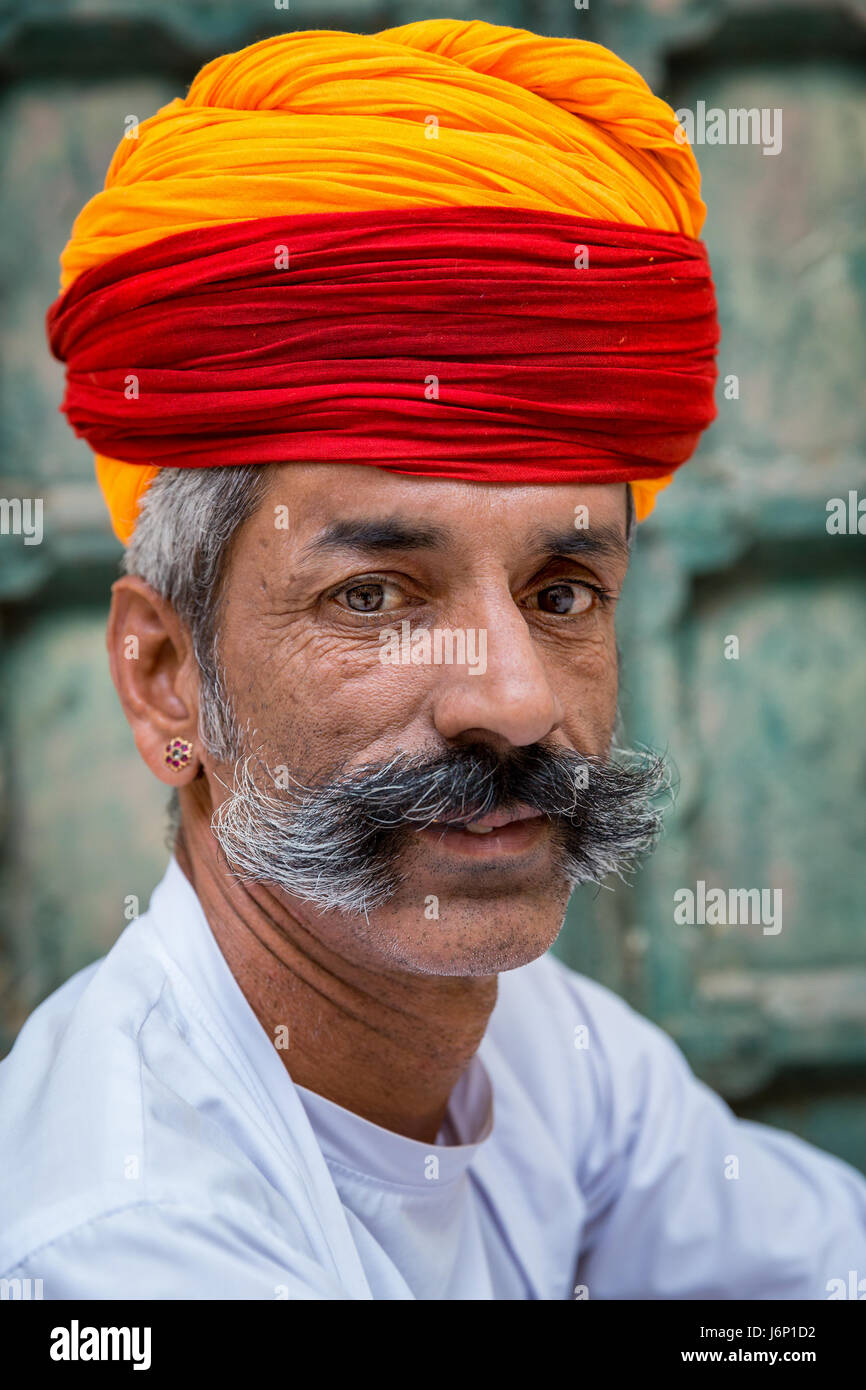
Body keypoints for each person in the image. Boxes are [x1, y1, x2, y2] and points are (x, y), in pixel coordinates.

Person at [1, 19, 863, 1300]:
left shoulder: (537, 1045)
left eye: (561, 589)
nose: (513, 701)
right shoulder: (120, 1244)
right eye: (373, 596)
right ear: (166, 678)